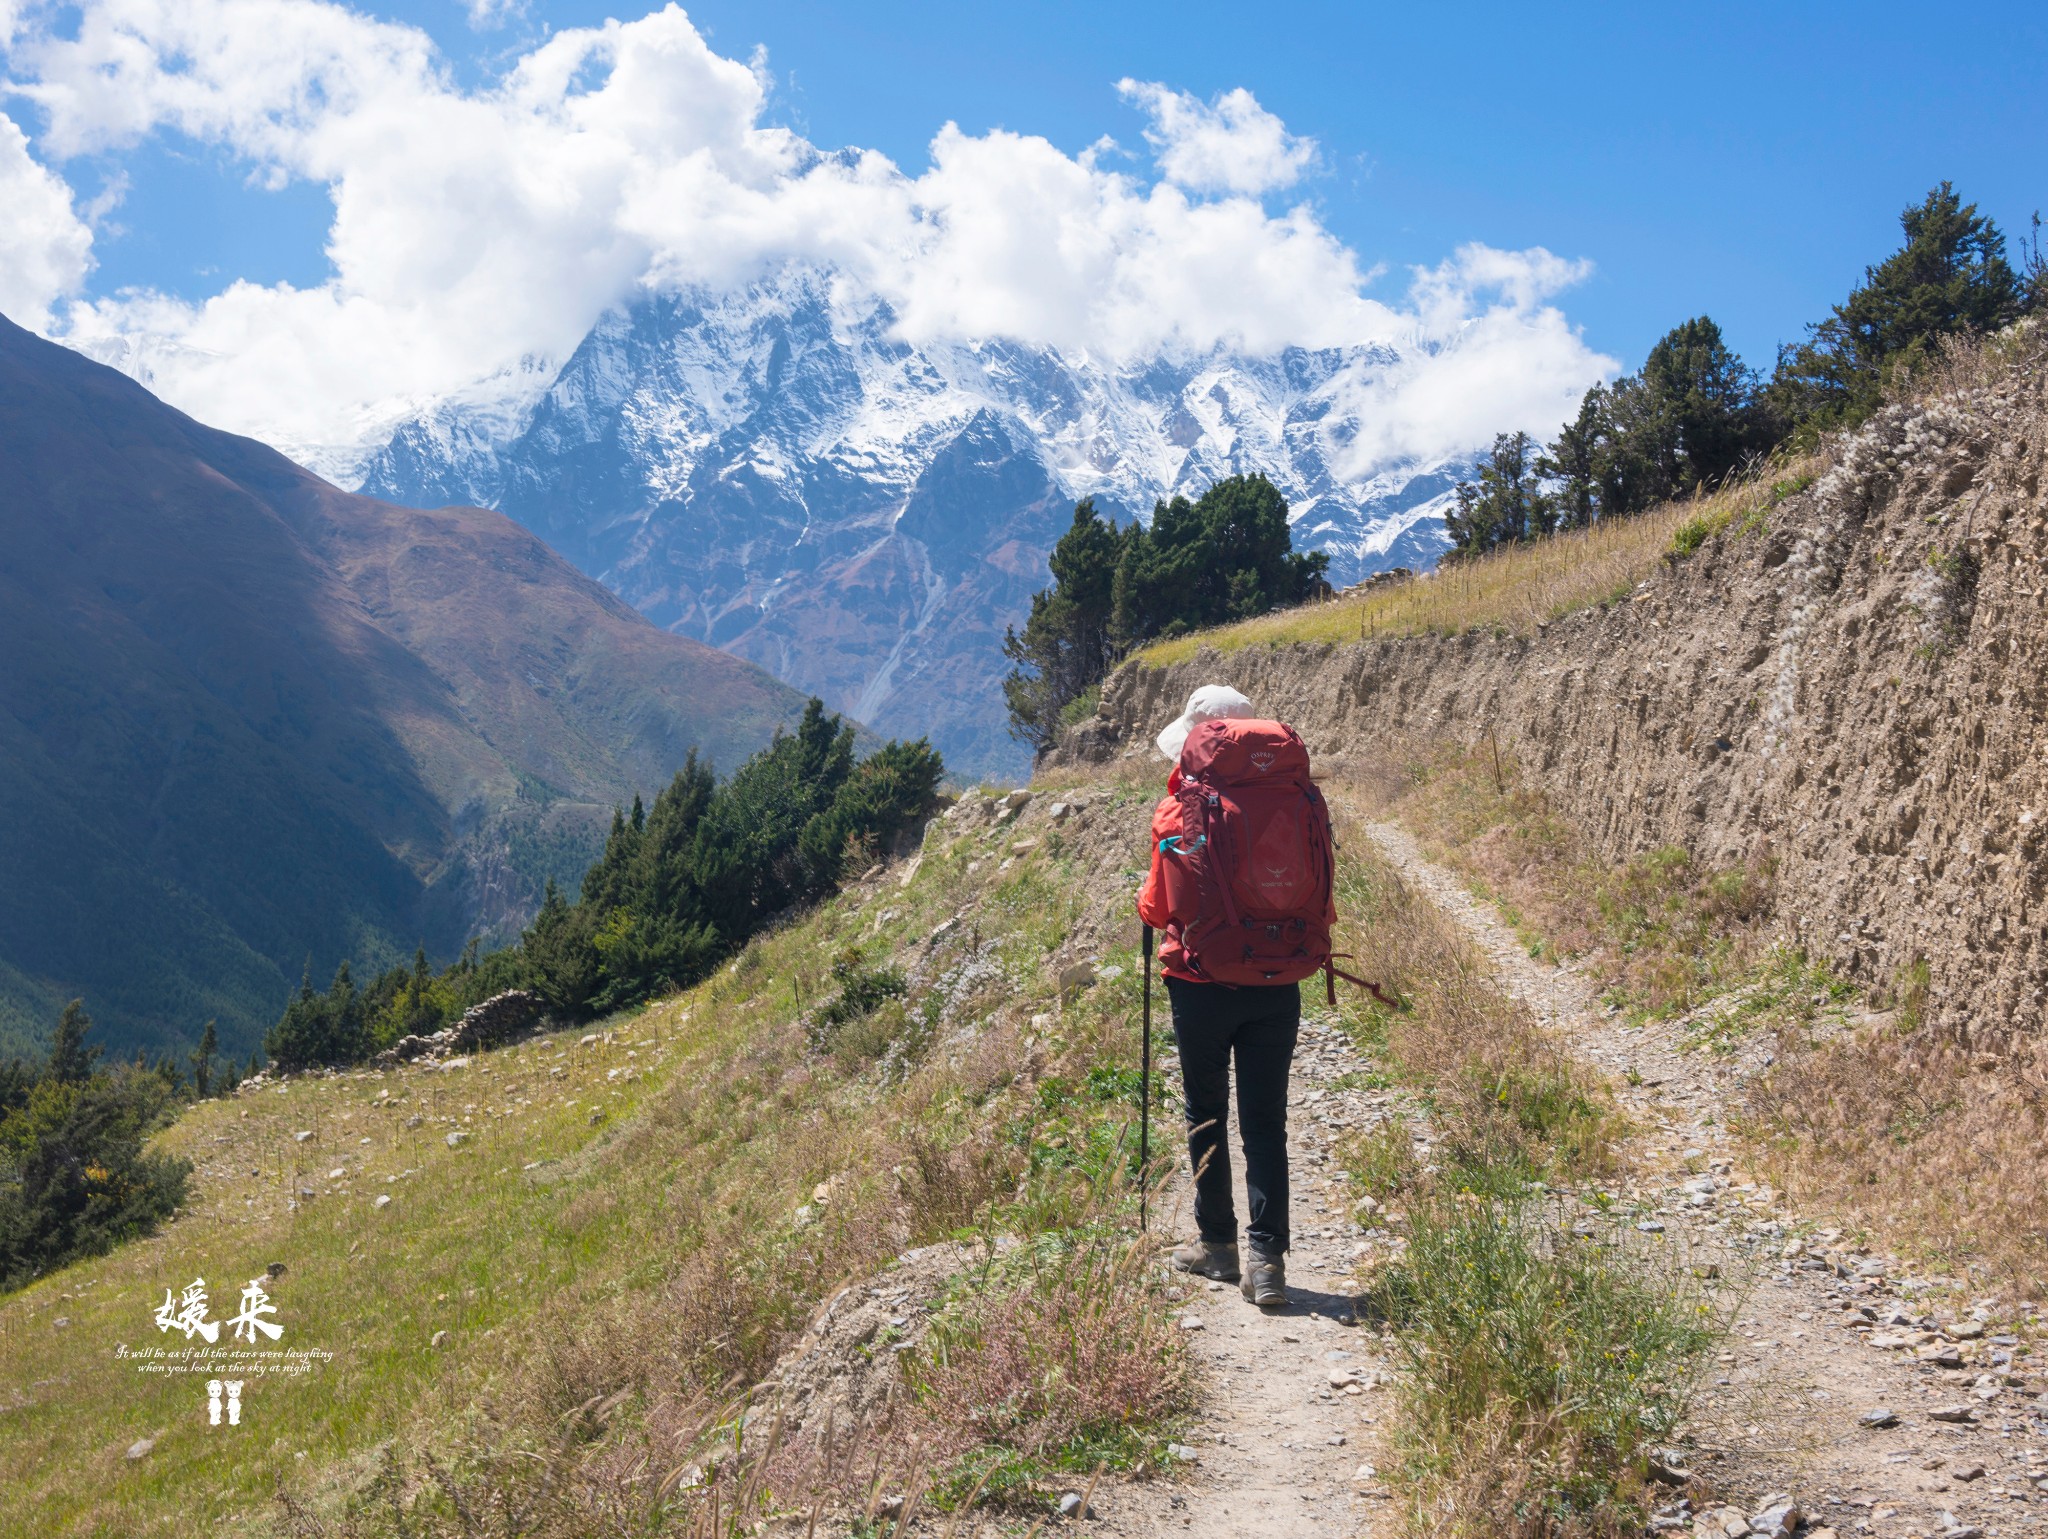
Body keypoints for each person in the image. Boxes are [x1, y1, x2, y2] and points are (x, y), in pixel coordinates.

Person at [1136, 684, 1301, 1308]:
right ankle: (1268, 1262)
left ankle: (1218, 1245)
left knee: (1205, 1111)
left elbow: (1157, 906)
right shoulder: (1290, 797)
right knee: (1266, 1120)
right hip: (1277, 980)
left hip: (1201, 985)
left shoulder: (1179, 810)